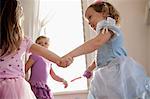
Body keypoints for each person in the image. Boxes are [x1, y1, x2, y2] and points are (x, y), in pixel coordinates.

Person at [60, 1, 150, 99]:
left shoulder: (108, 28)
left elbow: (95, 43)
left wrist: (71, 54)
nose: (89, 23)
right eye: (87, 21)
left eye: (90, 17)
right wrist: (89, 69)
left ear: (104, 12)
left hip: (116, 72)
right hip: (106, 72)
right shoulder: (103, 34)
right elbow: (100, 56)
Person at [0, 0, 71, 99]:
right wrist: (59, 60)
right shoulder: (22, 40)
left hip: (16, 86)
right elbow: (43, 51)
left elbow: (44, 52)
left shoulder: (23, 41)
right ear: (15, 19)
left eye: (45, 43)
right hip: (14, 85)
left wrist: (59, 60)